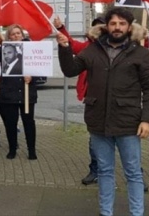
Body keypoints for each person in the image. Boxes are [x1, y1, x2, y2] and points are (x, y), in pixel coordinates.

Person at [57, 7, 149, 216]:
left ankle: (137, 213)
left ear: (129, 27)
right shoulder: (93, 50)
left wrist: (147, 119)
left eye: (122, 24)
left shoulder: (141, 54)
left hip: (129, 122)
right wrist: (64, 48)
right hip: (98, 121)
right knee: (104, 171)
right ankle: (106, 212)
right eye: (113, 23)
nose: (117, 27)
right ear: (107, 26)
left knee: (133, 173)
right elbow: (70, 70)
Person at [54, 15, 106, 185]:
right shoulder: (88, 48)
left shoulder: (123, 48)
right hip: (94, 101)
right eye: (97, 28)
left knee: (126, 143)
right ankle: (95, 170)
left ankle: (136, 175)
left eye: (103, 28)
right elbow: (71, 45)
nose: (100, 32)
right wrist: (61, 28)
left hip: (118, 103)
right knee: (95, 140)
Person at [0, 25, 41, 160]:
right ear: (9, 36)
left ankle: (31, 150)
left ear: (22, 35)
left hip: (27, 93)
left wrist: (32, 77)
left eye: (18, 33)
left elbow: (40, 67)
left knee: (29, 122)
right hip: (8, 93)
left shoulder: (32, 49)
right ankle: (12, 149)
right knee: (10, 123)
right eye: (13, 34)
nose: (16, 36)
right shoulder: (4, 50)